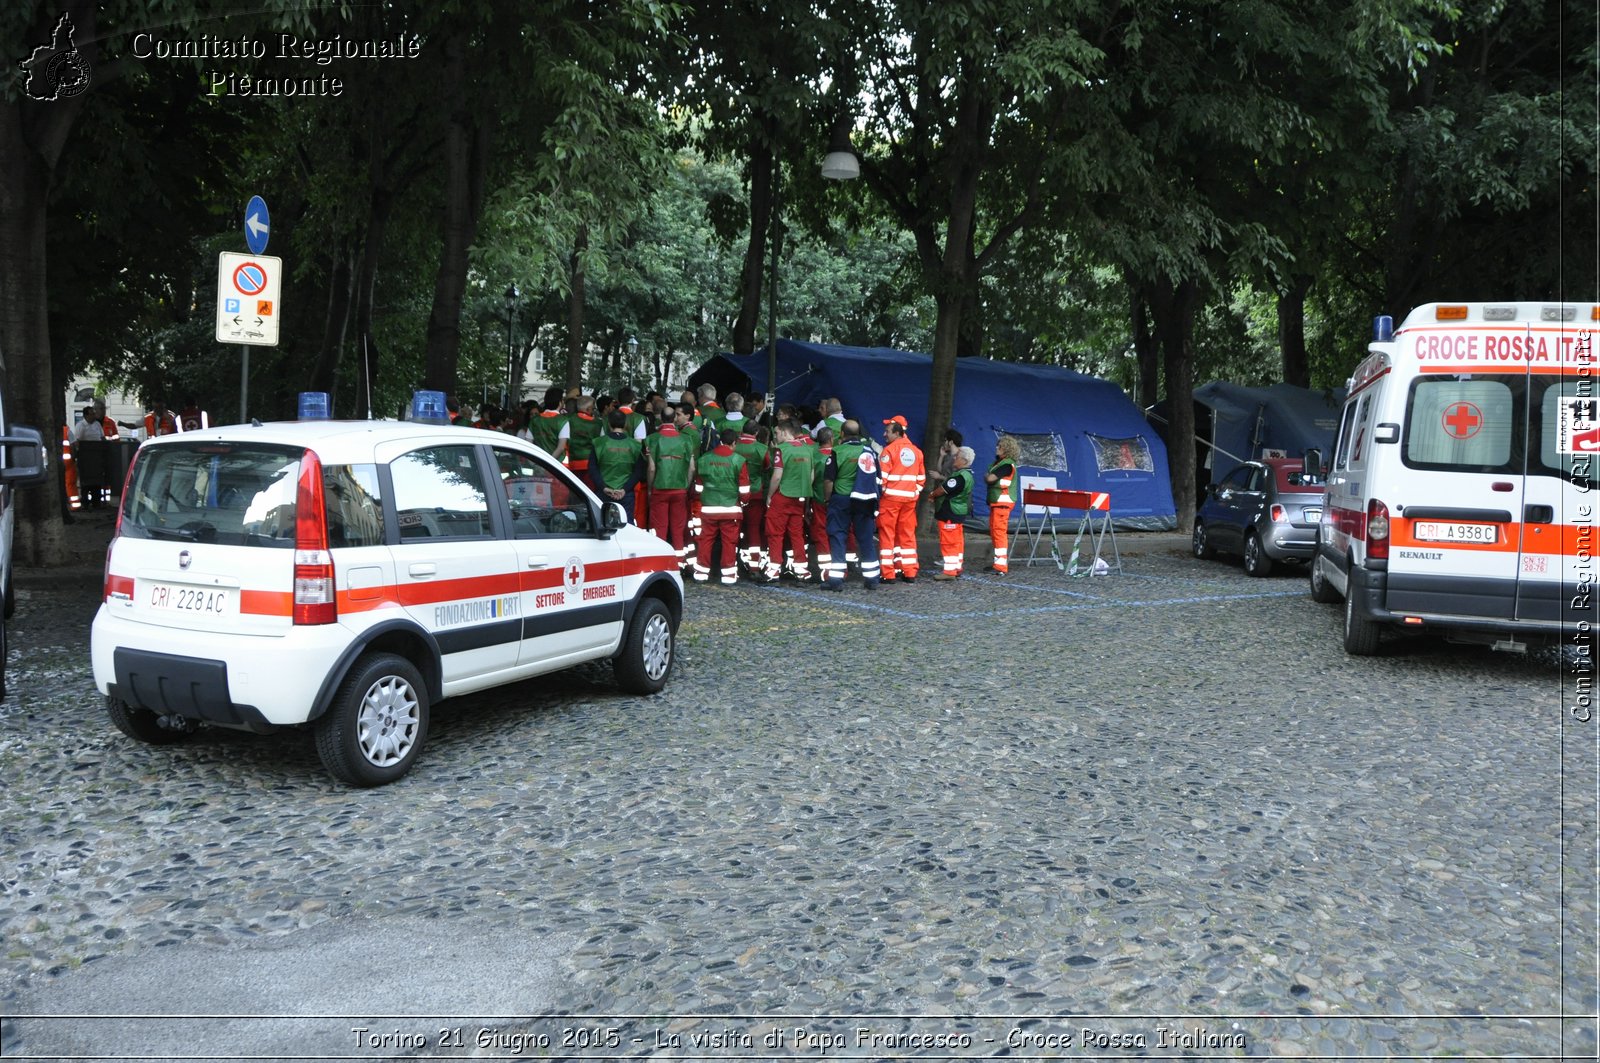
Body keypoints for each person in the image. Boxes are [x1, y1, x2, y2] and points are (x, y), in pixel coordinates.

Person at [821, 420, 881, 590]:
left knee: (838, 536)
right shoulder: (869, 451)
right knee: (866, 538)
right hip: (865, 499)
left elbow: (828, 480)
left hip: (842, 499)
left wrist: (827, 499)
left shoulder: (837, 452)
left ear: (842, 434)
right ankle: (872, 579)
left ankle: (836, 581)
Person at [762, 422, 817, 582]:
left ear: (785, 433)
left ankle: (773, 570)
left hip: (783, 495)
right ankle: (801, 570)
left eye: (777, 433)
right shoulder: (808, 449)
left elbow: (777, 475)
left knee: (775, 533)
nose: (776, 437)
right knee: (797, 534)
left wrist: (770, 495)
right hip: (800, 497)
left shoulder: (782, 450)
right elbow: (811, 476)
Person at [692, 428, 749, 584]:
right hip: (731, 509)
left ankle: (701, 573)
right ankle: (728, 576)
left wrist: (703, 499)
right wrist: (743, 502)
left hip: (708, 508)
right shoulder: (738, 460)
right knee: (729, 542)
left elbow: (698, 487)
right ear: (734, 443)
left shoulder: (704, 459)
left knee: (705, 540)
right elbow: (744, 489)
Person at [646, 402, 697, 567]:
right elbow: (692, 468)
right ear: (674, 418)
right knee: (678, 528)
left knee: (659, 528)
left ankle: (660, 562)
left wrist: (649, 488)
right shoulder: (686, 439)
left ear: (661, 418)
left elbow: (652, 468)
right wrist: (686, 485)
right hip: (679, 489)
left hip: (660, 488)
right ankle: (679, 562)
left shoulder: (652, 439)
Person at [877, 415, 925, 583]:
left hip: (890, 500)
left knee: (887, 535)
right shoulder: (917, 451)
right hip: (909, 501)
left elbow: (881, 479)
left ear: (897, 433)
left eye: (887, 431)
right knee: (907, 535)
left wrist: (881, 495)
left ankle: (888, 573)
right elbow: (921, 479)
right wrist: (914, 494)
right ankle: (910, 571)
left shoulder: (889, 451)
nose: (884, 435)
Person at [929, 446, 976, 580]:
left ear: (964, 461)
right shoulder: (968, 475)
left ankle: (949, 572)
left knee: (948, 542)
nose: (955, 458)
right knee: (957, 542)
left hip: (949, 512)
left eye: (958, 456)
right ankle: (956, 567)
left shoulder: (959, 476)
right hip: (958, 512)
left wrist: (932, 494)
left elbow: (943, 489)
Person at [592, 409, 645, 525]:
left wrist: (603, 487)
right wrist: (625, 489)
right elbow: (638, 471)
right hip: (626, 493)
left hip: (604, 492)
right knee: (627, 526)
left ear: (608, 424)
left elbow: (592, 468)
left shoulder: (598, 443)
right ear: (625, 424)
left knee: (602, 524)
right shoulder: (635, 445)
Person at [734, 423, 769, 575]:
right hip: (755, 493)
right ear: (756, 432)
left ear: (742, 431)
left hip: (734, 492)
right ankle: (755, 565)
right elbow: (767, 467)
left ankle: (731, 563)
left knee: (733, 529)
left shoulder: (734, 445)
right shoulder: (762, 449)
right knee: (754, 529)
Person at [985, 435, 1022, 575]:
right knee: (996, 533)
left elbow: (990, 478)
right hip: (999, 503)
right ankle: (998, 563)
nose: (997, 448)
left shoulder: (1006, 465)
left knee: (999, 533)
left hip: (1002, 503)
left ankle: (1000, 566)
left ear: (1006, 449)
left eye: (999, 446)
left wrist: (987, 477)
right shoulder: (1002, 464)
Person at [71, 405, 106, 507]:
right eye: (92, 414)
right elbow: (77, 441)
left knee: (97, 480)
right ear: (86, 415)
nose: (94, 416)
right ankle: (85, 502)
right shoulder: (80, 425)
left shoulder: (97, 425)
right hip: (86, 457)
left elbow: (102, 438)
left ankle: (96, 502)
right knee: (86, 481)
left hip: (97, 456)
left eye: (94, 413)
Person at [566, 394, 602, 487]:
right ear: (588, 409)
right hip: (590, 464)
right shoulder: (598, 423)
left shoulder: (568, 419)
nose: (594, 410)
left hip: (572, 463)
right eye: (593, 408)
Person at [529, 387, 569, 461]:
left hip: (537, 462)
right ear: (560, 402)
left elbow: (529, 443)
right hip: (556, 465)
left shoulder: (535, 420)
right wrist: (548, 462)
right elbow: (561, 448)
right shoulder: (563, 421)